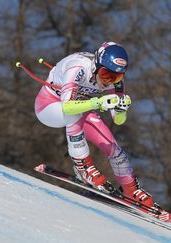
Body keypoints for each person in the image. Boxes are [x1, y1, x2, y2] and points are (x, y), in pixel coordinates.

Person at [34, 42, 154, 207]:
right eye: (105, 74)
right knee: (73, 114)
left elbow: (119, 120)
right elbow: (67, 106)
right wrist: (98, 102)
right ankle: (83, 168)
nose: (109, 81)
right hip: (49, 106)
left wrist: (120, 109)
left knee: (113, 147)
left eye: (116, 77)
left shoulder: (116, 82)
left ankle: (131, 189)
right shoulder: (78, 67)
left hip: (83, 108)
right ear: (96, 65)